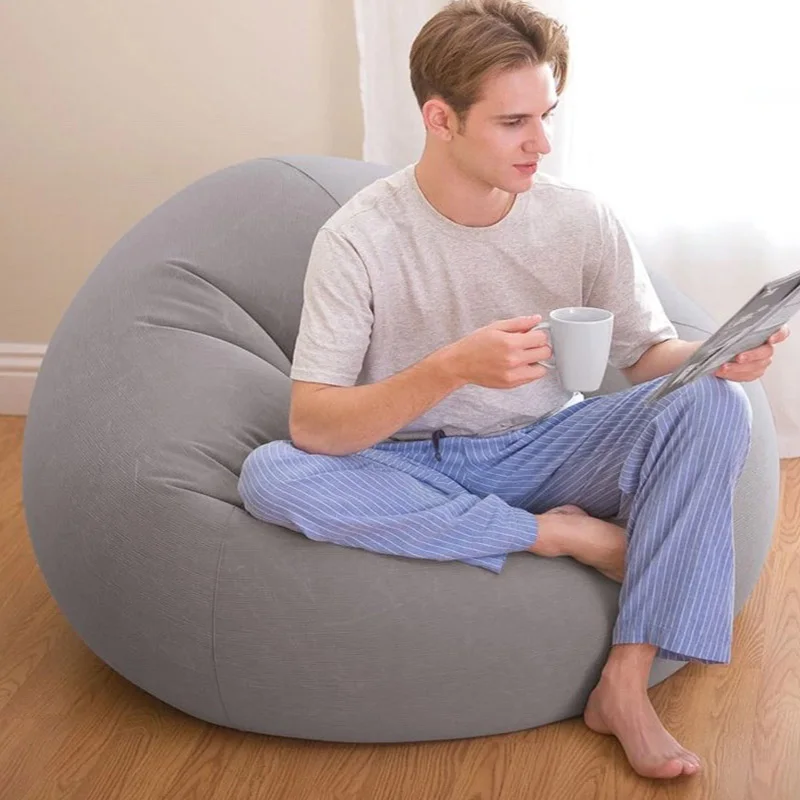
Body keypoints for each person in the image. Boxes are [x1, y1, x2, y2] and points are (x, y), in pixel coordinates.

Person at [238, 0, 790, 780]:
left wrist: (717, 357)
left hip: (546, 444)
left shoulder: (578, 217)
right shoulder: (359, 239)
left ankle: (625, 685)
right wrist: (450, 368)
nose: (542, 143)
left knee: (714, 402)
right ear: (441, 118)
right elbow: (315, 428)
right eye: (513, 122)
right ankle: (563, 536)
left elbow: (642, 355)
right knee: (270, 476)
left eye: (548, 114)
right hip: (407, 462)